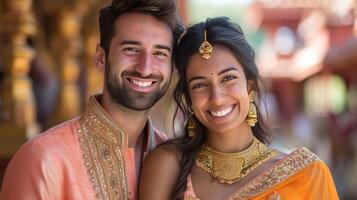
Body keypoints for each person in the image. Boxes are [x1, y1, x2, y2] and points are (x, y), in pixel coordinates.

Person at [139, 17, 339, 200]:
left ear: (250, 86)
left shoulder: (306, 174)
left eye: (228, 78)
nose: (216, 98)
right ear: (189, 99)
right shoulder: (167, 165)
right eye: (199, 85)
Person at [0, 0, 183, 199]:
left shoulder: (181, 162)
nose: (145, 68)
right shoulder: (42, 160)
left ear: (172, 67)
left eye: (159, 53)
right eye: (131, 49)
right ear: (101, 58)